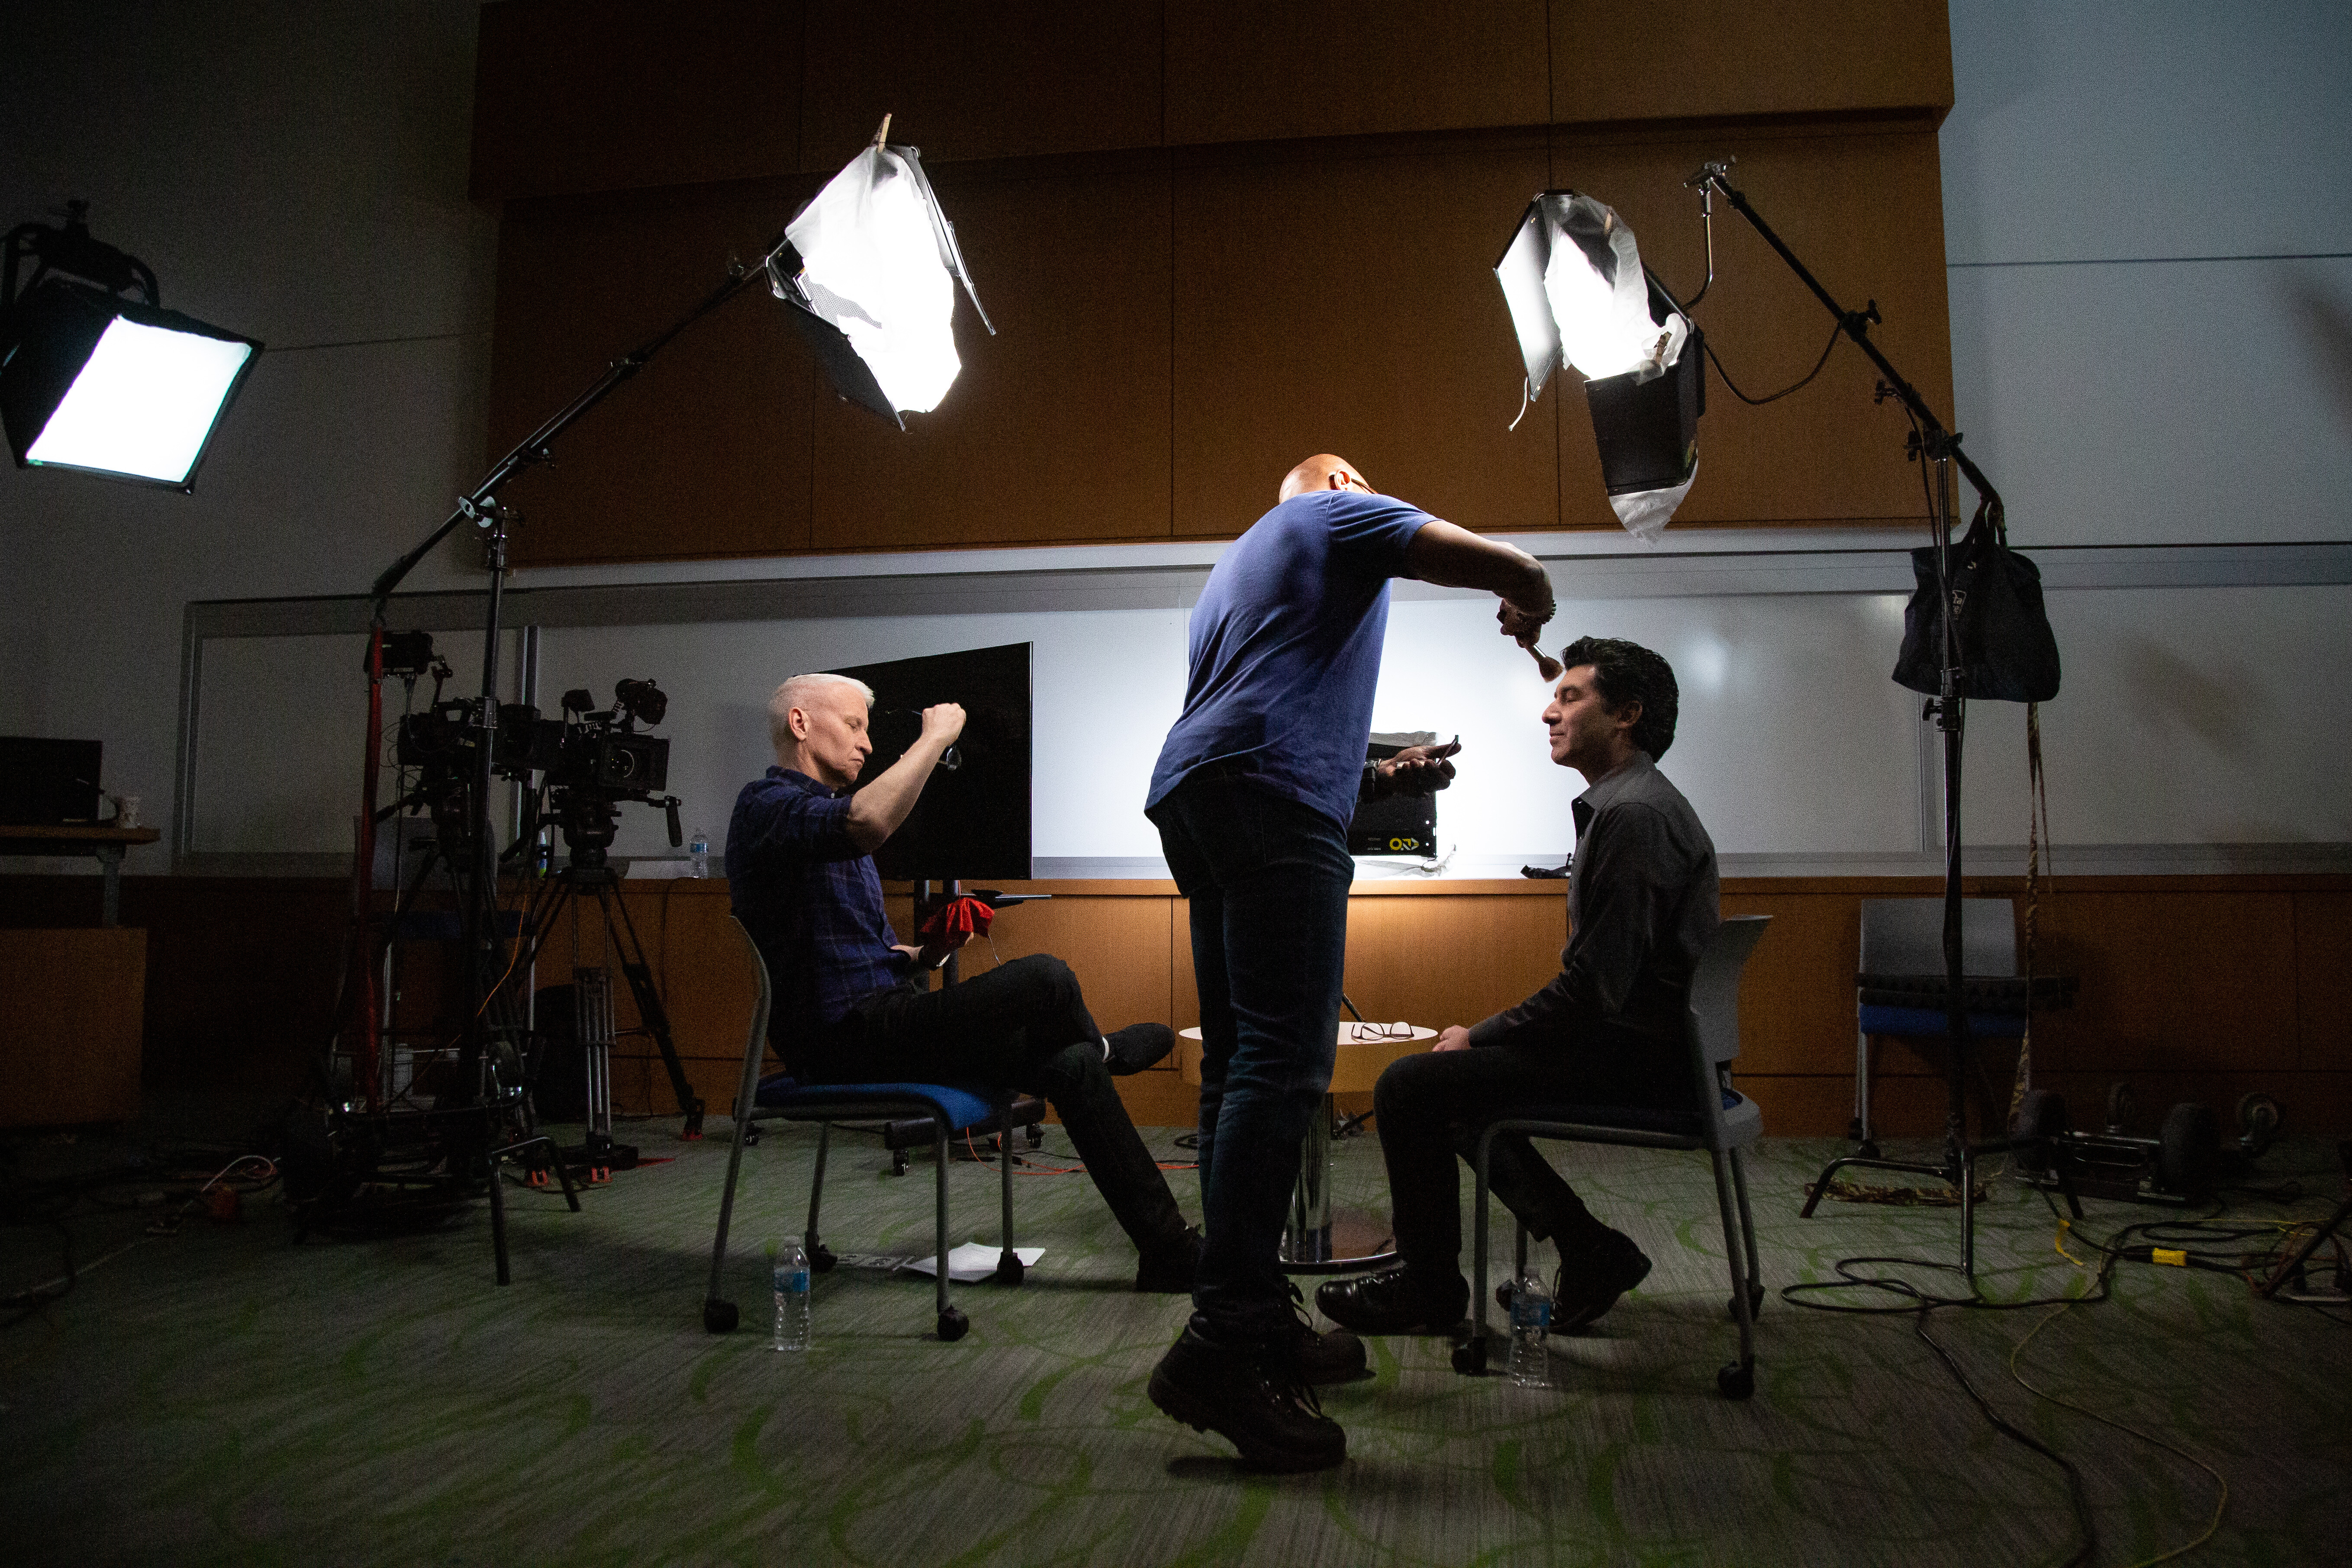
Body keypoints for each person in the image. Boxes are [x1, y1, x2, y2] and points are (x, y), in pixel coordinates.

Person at [1143, 453, 1557, 1472]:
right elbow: (1481, 558)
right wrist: (1529, 589)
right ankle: (1225, 1342)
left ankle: (1255, 1311)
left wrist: (1378, 776)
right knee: (1286, 1068)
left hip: (1199, 795)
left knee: (1241, 1061)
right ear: (1334, 485)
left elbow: (1262, 722)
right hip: (1269, 801)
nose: (1372, 492)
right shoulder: (1334, 514)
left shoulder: (1236, 569)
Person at [727, 671, 1199, 1291]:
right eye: (853, 726)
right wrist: (935, 737)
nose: (866, 743)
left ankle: (1166, 1250)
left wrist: (931, 950)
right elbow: (866, 821)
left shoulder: (825, 828)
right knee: (1046, 976)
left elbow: (875, 953)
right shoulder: (767, 808)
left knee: (1068, 1067)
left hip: (885, 1020)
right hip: (842, 1040)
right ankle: (1106, 1050)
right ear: (800, 724)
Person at [1315, 637, 1721, 1345]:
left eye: (1570, 697)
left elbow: (1591, 990)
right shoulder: (1635, 805)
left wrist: (1481, 1034)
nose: (1547, 712)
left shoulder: (1634, 817)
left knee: (1411, 1086)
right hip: (1651, 1052)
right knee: (1448, 1088)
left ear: (1626, 714)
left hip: (1645, 1066)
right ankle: (1588, 1251)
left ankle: (1431, 1285)